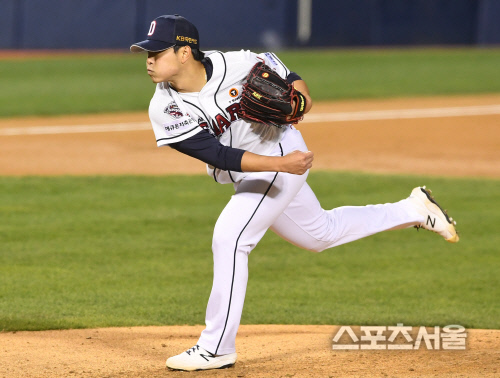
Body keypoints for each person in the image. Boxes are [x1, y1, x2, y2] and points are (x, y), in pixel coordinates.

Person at [130, 15, 459, 372]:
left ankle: (216, 347)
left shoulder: (237, 63)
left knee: (230, 237)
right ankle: (413, 209)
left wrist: (301, 100)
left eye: (157, 52)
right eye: (147, 53)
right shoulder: (164, 107)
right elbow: (218, 155)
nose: (148, 60)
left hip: (281, 152)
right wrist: (281, 166)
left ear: (184, 53)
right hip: (267, 167)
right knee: (320, 233)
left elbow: (288, 77)